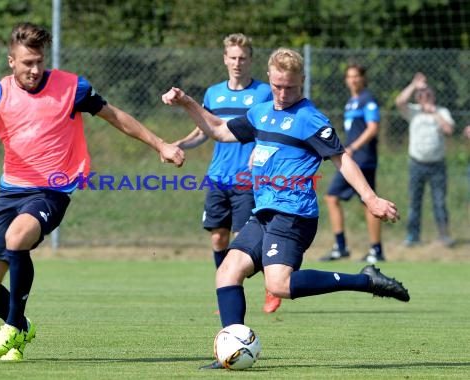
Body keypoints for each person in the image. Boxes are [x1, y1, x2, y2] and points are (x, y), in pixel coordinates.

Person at [0, 22, 184, 361]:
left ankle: (13, 327)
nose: (34, 69)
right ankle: (23, 327)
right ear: (11, 61)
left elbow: (115, 116)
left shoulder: (71, 87)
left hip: (51, 192)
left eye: (39, 61)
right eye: (27, 62)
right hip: (9, 192)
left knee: (17, 238)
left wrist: (160, 144)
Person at [162, 47, 410, 370]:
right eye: (277, 86)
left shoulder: (310, 118)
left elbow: (342, 158)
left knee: (278, 285)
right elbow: (219, 131)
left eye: (290, 87)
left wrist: (371, 198)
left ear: (302, 82)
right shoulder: (261, 112)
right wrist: (187, 103)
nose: (282, 93)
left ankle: (365, 280)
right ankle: (230, 350)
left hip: (294, 214)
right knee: (227, 271)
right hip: (264, 212)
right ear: (269, 78)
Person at [172, 33, 281, 314]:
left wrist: (262, 150)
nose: (237, 63)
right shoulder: (213, 93)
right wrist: (179, 144)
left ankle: (271, 285)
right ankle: (226, 287)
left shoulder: (263, 94)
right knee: (218, 239)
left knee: (245, 239)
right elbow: (203, 131)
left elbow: (272, 129)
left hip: (248, 181)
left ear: (250, 60)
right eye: (232, 57)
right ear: (224, 59)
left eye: (242, 58)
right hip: (219, 178)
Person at [321, 63, 384, 263]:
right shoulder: (351, 102)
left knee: (358, 200)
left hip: (362, 159)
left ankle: (367, 249)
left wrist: (353, 147)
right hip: (352, 160)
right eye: (349, 76)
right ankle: (365, 248)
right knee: (338, 199)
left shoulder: (368, 100)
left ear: (363, 78)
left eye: (356, 76)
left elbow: (373, 128)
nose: (353, 80)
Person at [395, 72, 455, 247]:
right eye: (422, 96)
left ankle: (444, 236)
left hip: (437, 165)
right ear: (418, 98)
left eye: (428, 95)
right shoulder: (413, 112)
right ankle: (413, 237)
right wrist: (414, 85)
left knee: (439, 201)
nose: (425, 98)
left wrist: (434, 112)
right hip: (417, 163)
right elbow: (399, 102)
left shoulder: (442, 111)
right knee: (414, 201)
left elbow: (449, 129)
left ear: (433, 97)